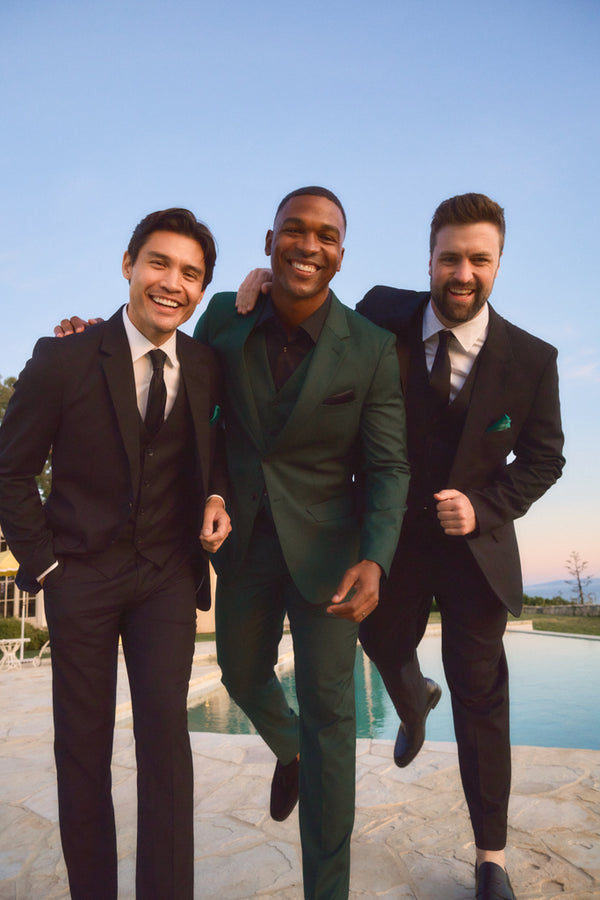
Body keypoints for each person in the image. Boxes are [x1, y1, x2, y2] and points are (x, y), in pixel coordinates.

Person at [236, 192, 565, 900]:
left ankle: (491, 858)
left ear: (498, 263)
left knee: (481, 700)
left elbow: (545, 459)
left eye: (479, 259)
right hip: (388, 541)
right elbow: (315, 309)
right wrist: (264, 285)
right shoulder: (383, 311)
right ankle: (413, 700)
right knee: (381, 643)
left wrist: (485, 506)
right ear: (430, 258)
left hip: (476, 552)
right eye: (450, 258)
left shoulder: (533, 360)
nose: (463, 273)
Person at [0, 208, 231, 900]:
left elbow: (219, 451)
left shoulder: (207, 367)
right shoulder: (64, 358)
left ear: (201, 288)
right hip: (80, 577)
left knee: (167, 748)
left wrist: (217, 495)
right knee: (83, 752)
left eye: (190, 273)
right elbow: (10, 471)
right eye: (159, 263)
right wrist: (46, 568)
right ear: (128, 265)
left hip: (166, 578)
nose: (173, 283)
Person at [195, 187, 409, 900]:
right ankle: (290, 750)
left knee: (332, 725)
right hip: (243, 544)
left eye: (326, 235)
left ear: (342, 254)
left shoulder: (370, 347)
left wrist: (376, 556)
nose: (309, 245)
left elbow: (388, 465)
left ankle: (328, 889)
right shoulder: (224, 316)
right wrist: (85, 337)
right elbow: (188, 392)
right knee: (238, 673)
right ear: (269, 241)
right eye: (294, 230)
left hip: (330, 557)